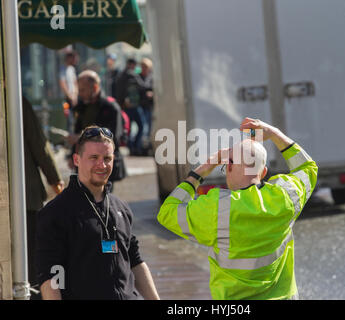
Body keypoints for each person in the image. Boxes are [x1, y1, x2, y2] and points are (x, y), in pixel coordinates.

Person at [157, 118, 318, 300]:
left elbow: (167, 212)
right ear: (264, 171)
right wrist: (274, 134)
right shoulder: (284, 197)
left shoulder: (217, 207)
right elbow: (307, 167)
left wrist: (200, 172)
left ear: (229, 166)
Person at [36, 126, 160, 300]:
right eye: (94, 158)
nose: (101, 165)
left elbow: (135, 260)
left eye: (107, 158)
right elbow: (50, 277)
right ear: (77, 160)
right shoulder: (55, 213)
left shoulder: (121, 208)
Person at [22, 96, 65, 299]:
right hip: (26, 198)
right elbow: (39, 143)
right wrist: (55, 179)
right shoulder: (15, 99)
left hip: (25, 197)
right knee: (33, 263)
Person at [68, 70, 127, 186]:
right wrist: (72, 156)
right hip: (85, 165)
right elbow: (77, 130)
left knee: (102, 201)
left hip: (103, 166)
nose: (80, 93)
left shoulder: (110, 107)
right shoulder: (81, 107)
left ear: (94, 88)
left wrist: (80, 137)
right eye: (79, 90)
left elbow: (113, 138)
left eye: (83, 90)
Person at [115, 58, 146, 155]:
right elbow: (142, 85)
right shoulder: (132, 74)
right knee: (141, 126)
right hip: (133, 105)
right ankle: (135, 146)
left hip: (125, 106)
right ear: (131, 65)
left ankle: (131, 147)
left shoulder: (121, 75)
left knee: (128, 128)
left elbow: (117, 90)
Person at [133, 58, 154, 154]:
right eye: (143, 67)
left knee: (148, 127)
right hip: (140, 105)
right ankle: (138, 147)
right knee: (143, 127)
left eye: (146, 67)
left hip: (149, 106)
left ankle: (145, 147)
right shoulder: (138, 77)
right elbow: (140, 87)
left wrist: (152, 93)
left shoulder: (151, 77)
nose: (144, 68)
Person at [59, 51, 79, 133]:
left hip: (74, 98)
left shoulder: (72, 69)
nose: (75, 60)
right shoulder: (62, 69)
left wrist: (75, 95)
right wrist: (69, 96)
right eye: (73, 58)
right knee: (68, 120)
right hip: (67, 99)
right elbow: (62, 83)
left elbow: (75, 83)